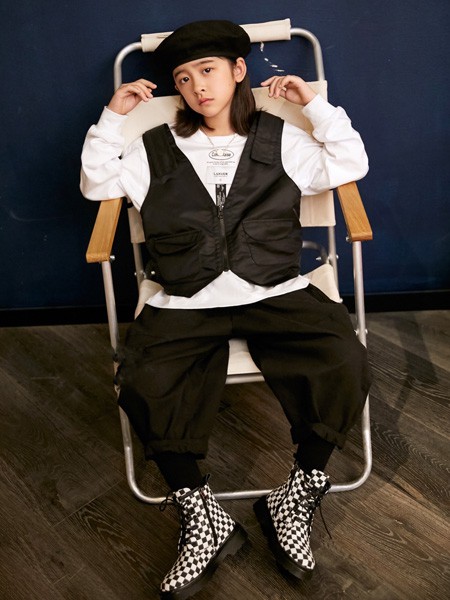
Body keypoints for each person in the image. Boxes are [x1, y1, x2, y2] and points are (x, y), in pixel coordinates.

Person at [80, 19, 371, 600]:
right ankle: (202, 516)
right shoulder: (155, 147)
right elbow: (96, 183)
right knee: (143, 378)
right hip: (187, 295)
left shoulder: (281, 138)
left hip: (274, 289)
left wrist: (312, 105)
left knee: (343, 358)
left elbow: (350, 162)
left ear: (239, 71)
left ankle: (295, 497)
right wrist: (112, 118)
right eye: (183, 78)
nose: (197, 87)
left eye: (208, 71)